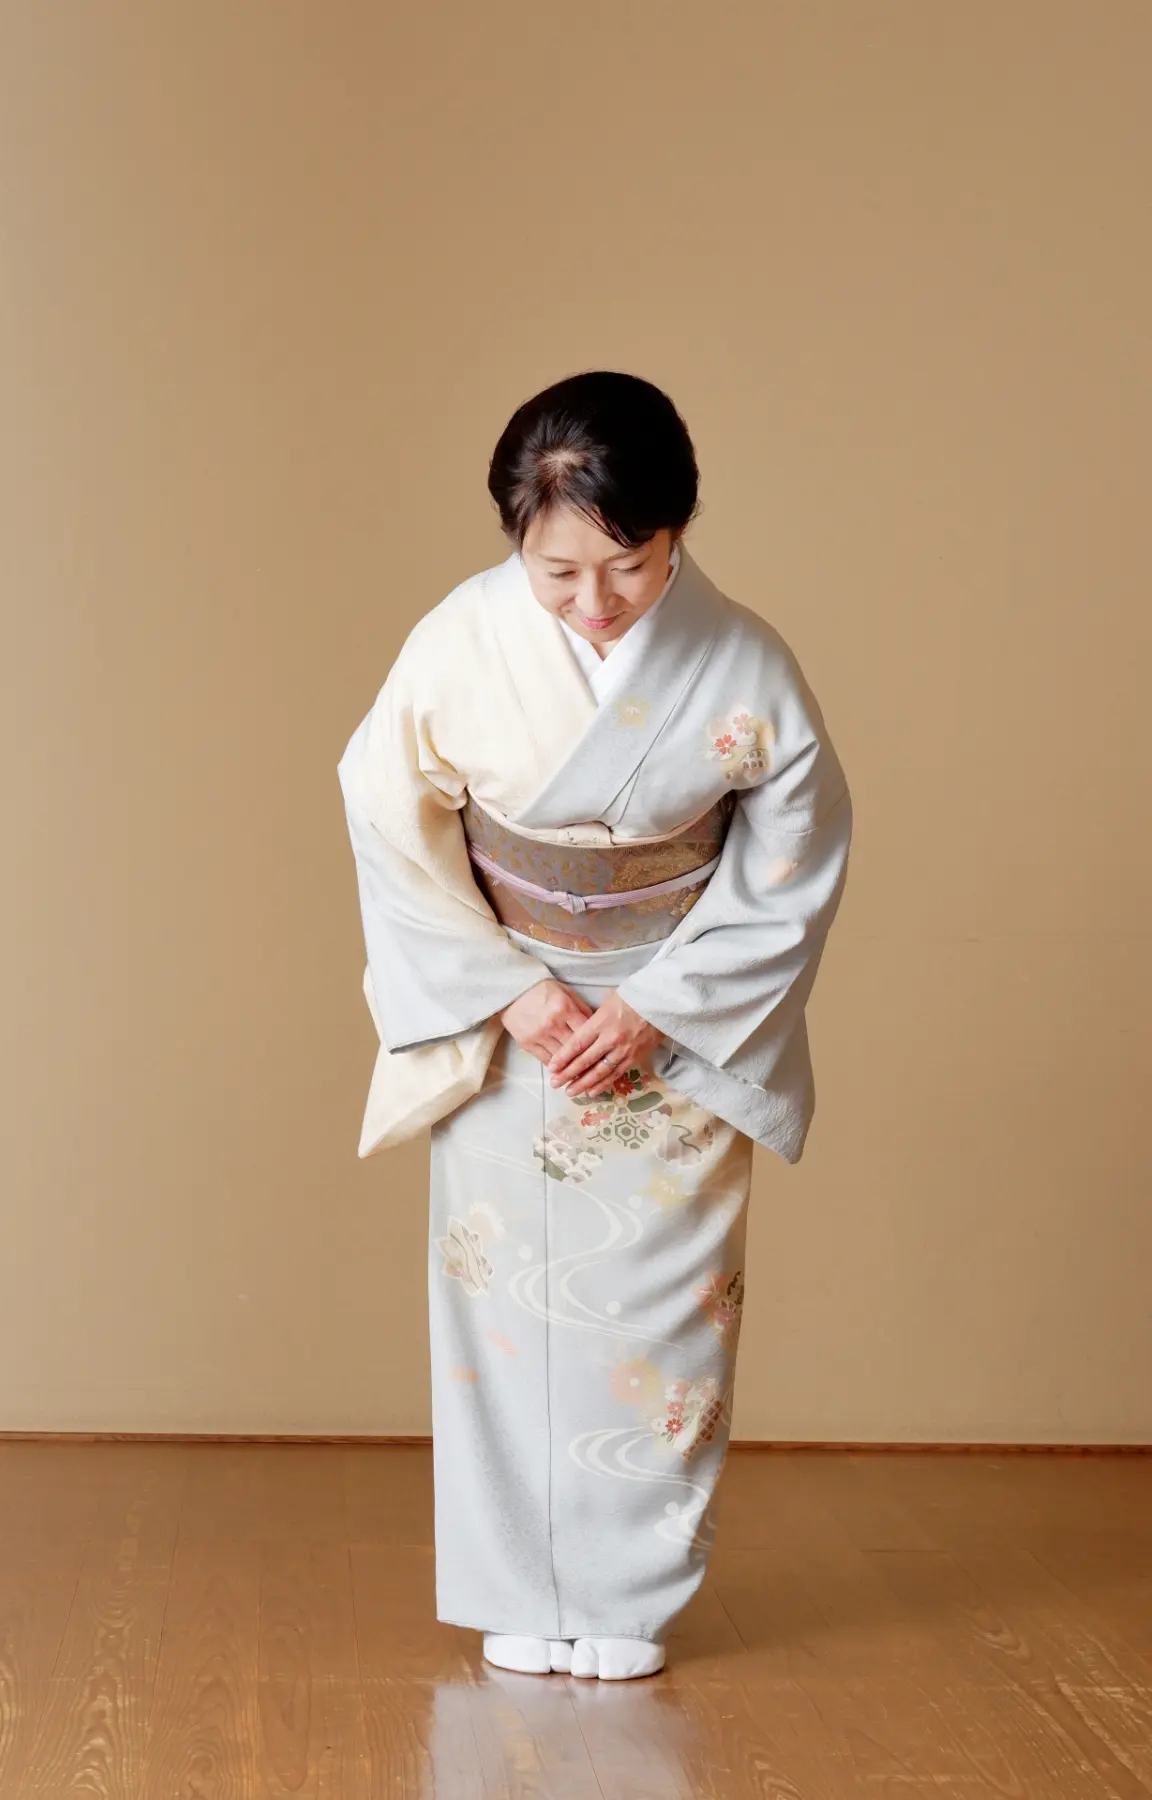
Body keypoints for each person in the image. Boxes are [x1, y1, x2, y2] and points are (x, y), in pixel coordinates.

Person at [336, 370, 852, 1681]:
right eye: (558, 571)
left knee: (662, 1325)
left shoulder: (745, 666)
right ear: (518, 533)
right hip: (515, 1023)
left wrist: (655, 1007)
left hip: (671, 1034)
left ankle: (626, 1597)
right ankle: (516, 1585)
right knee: (502, 1319)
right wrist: (513, 991)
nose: (594, 603)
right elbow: (391, 822)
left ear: (676, 529)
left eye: (626, 567)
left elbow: (792, 863)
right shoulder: (460, 639)